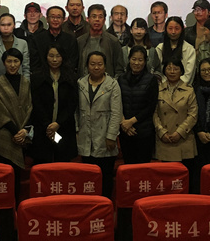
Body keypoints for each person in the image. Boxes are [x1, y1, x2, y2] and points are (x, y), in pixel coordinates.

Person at [77, 51, 122, 197]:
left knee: (105, 176)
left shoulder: (112, 84)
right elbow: (75, 110)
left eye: (99, 64)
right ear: (87, 66)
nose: (96, 67)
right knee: (88, 176)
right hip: (85, 136)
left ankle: (105, 203)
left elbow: (116, 112)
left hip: (105, 137)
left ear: (105, 66)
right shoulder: (80, 84)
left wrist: (111, 136)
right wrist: (77, 130)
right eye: (92, 64)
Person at [0, 49, 33, 191]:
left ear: (21, 63)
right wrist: (15, 132)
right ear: (4, 63)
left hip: (22, 135)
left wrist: (24, 131)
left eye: (16, 61)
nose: (13, 65)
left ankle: (17, 203)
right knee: (3, 178)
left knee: (17, 178)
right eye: (9, 61)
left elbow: (30, 107)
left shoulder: (25, 82)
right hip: (5, 135)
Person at [29, 45, 78, 163]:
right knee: (42, 163)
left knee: (62, 162)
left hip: (63, 127)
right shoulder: (37, 77)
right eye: (51, 56)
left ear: (63, 57)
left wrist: (58, 123)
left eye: (58, 56)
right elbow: (36, 103)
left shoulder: (71, 77)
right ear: (45, 57)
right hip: (43, 128)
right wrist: (49, 126)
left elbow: (72, 103)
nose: (54, 59)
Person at [154, 59, 198, 186]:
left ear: (181, 71)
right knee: (166, 182)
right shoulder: (157, 89)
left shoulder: (189, 90)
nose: (172, 71)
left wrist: (179, 132)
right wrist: (162, 132)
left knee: (185, 181)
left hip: (184, 140)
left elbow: (193, 115)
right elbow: (154, 113)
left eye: (176, 68)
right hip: (164, 140)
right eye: (169, 68)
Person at [117, 45, 160, 164]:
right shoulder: (121, 79)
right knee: (128, 166)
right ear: (129, 59)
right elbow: (117, 103)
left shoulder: (151, 80)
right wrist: (124, 122)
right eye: (134, 59)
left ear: (145, 61)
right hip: (125, 130)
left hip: (144, 131)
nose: (136, 63)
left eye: (140, 60)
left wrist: (131, 121)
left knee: (143, 168)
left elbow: (151, 106)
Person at [77, 4, 125, 78]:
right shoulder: (80, 41)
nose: (97, 19)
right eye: (94, 16)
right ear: (88, 19)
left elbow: (119, 69)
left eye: (100, 17)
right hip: (83, 83)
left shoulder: (113, 41)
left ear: (104, 20)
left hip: (107, 83)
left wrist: (113, 83)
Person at [32, 5, 79, 75]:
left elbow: (72, 62)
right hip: (42, 77)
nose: (55, 20)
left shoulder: (70, 39)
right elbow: (35, 62)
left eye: (58, 17)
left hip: (65, 77)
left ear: (64, 20)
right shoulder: (37, 38)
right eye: (52, 17)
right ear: (47, 19)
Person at [0, 13, 31, 82]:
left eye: (9, 25)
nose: (6, 28)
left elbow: (26, 68)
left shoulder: (23, 43)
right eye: (3, 25)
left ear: (14, 25)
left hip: (19, 83)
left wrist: (26, 84)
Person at [156, 16, 196, 84]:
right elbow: (158, 72)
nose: (173, 32)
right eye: (170, 28)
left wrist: (176, 86)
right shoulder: (160, 48)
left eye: (177, 28)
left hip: (183, 87)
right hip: (163, 87)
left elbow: (188, 75)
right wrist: (166, 85)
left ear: (182, 29)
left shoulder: (189, 49)